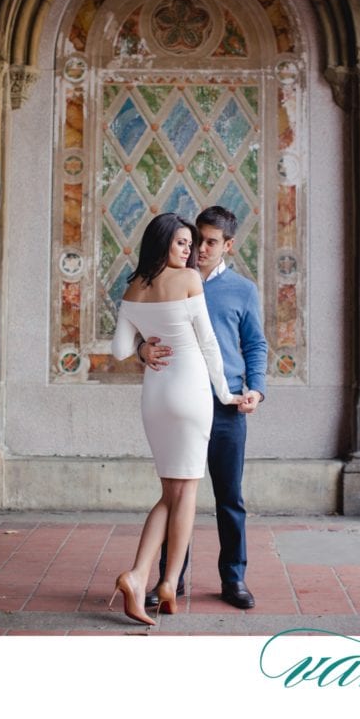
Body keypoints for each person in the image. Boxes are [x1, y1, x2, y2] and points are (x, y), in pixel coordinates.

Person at [109, 212, 242, 625]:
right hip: (190, 392)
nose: (190, 251)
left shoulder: (133, 287)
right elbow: (208, 346)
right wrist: (226, 394)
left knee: (172, 492)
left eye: (192, 244)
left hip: (155, 395)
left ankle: (147, 579)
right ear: (164, 242)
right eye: (183, 243)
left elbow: (117, 351)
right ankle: (156, 579)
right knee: (185, 494)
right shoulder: (188, 281)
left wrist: (144, 349)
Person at [138, 206, 267, 610]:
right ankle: (169, 581)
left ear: (228, 244)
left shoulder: (243, 290)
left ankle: (234, 579)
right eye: (199, 240)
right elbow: (138, 329)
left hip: (226, 405)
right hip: (182, 404)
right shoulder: (167, 281)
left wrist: (256, 391)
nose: (202, 248)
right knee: (178, 493)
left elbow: (255, 345)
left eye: (212, 242)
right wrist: (142, 350)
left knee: (230, 497)